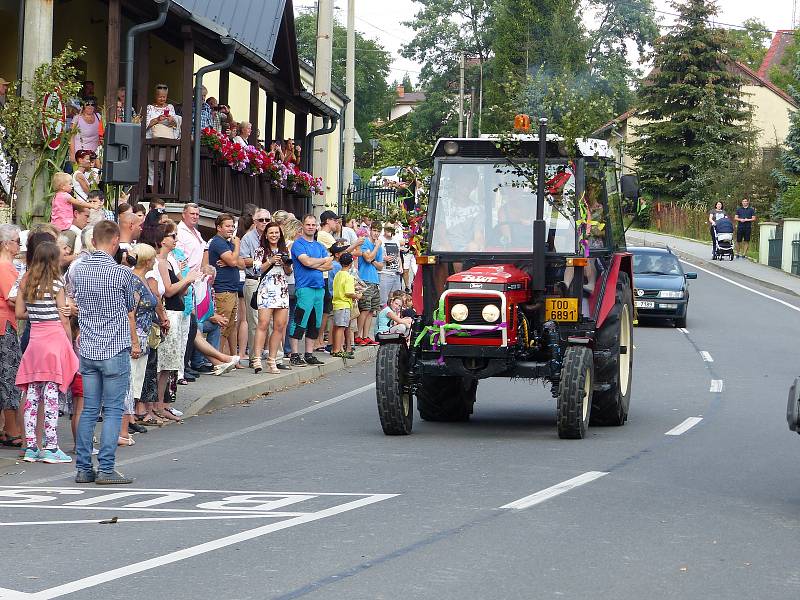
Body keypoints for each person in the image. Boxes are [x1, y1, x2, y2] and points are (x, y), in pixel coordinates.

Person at [72, 220, 137, 484]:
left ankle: (84, 468)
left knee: (89, 409)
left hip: (88, 346)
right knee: (112, 410)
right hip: (114, 346)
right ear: (114, 242)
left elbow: (74, 300)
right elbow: (130, 304)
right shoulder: (121, 274)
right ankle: (107, 469)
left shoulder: (79, 271)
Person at [15, 241, 79, 464]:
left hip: (35, 342)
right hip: (54, 338)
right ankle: (51, 446)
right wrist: (69, 344)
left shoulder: (26, 283)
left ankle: (31, 446)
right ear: (53, 260)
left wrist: (36, 313)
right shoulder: (56, 283)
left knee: (32, 394)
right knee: (52, 394)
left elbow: (19, 312)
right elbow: (63, 317)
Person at [289, 214, 332, 366]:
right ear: (303, 226)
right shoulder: (298, 244)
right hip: (304, 287)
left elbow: (330, 265)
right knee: (300, 321)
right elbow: (305, 261)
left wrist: (313, 263)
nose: (311, 227)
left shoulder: (319, 246)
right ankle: (294, 354)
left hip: (319, 288)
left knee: (315, 323)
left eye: (313, 225)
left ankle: (309, 354)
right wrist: (320, 261)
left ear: (316, 227)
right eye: (308, 224)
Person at [252, 222, 292, 373]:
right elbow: (256, 270)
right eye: (271, 233)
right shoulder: (260, 250)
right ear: (266, 235)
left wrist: (285, 263)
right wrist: (270, 260)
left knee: (280, 326)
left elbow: (289, 271)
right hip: (266, 289)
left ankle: (272, 359)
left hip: (281, 289)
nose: (274, 235)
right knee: (263, 323)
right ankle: (256, 359)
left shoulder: (285, 249)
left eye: (276, 233)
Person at [207, 213, 243, 355]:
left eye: (232, 226)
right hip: (223, 290)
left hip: (232, 290)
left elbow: (240, 264)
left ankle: (223, 356)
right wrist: (237, 246)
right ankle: (218, 357)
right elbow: (234, 261)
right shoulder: (218, 242)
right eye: (227, 226)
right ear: (218, 227)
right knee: (221, 326)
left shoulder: (228, 243)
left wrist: (232, 259)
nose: (231, 229)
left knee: (229, 327)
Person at [0, 224, 22, 449]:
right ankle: (12, 429)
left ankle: (8, 427)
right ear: (7, 244)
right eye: (16, 240)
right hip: (4, 325)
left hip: (7, 324)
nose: (19, 245)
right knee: (8, 376)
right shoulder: (5, 266)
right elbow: (13, 297)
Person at [240, 208, 271, 367]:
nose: (264, 223)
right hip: (254, 279)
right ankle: (254, 357)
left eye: (267, 220)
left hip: (271, 281)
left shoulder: (273, 235)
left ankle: (273, 357)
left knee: (271, 321)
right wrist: (262, 262)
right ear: (255, 222)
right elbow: (243, 260)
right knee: (255, 320)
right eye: (261, 220)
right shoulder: (248, 238)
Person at [145, 84, 182, 190]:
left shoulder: (170, 107)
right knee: (152, 166)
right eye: (160, 96)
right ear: (155, 96)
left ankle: (164, 190)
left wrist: (172, 120)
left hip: (167, 141)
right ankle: (153, 192)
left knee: (165, 167)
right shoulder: (150, 108)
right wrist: (157, 119)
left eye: (164, 96)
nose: (162, 99)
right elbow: (147, 124)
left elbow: (175, 124)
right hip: (153, 140)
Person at [355, 223, 384, 346]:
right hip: (365, 279)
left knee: (372, 310)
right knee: (364, 308)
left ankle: (365, 336)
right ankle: (357, 335)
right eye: (374, 230)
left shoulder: (379, 247)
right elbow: (367, 258)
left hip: (375, 280)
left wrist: (372, 259)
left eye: (378, 231)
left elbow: (381, 266)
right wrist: (376, 247)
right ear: (370, 230)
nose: (376, 233)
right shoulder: (366, 243)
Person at [330, 252, 360, 359]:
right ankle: (338, 350)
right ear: (351, 263)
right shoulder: (348, 276)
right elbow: (348, 292)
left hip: (337, 303)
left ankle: (335, 348)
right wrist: (357, 295)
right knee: (341, 327)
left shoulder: (338, 274)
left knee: (337, 326)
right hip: (344, 303)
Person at [69, 97, 103, 165]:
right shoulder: (77, 118)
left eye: (92, 104)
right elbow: (71, 137)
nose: (90, 106)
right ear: (83, 106)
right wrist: (72, 155)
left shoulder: (98, 116)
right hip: (81, 153)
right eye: (87, 104)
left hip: (95, 153)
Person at [378, 224, 403, 306]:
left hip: (395, 272)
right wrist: (384, 258)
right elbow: (375, 254)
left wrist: (401, 266)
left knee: (397, 299)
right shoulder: (380, 239)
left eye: (392, 229)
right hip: (384, 272)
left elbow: (398, 255)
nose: (390, 231)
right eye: (388, 229)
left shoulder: (395, 240)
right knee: (383, 301)